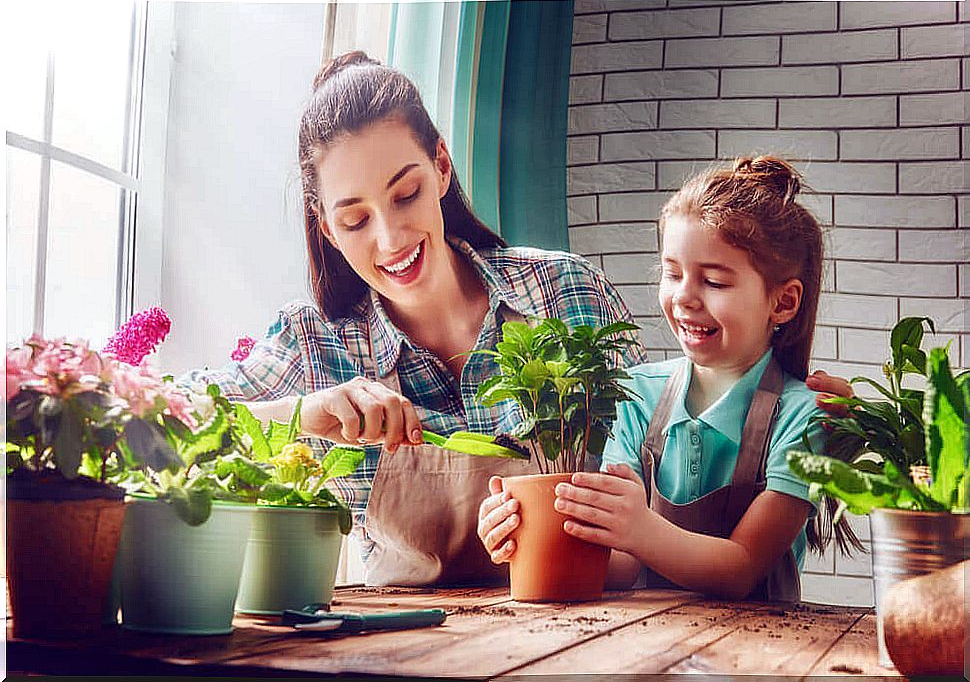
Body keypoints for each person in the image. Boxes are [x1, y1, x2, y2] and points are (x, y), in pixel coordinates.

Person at [188, 52, 851, 589]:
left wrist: (796, 419)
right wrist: (303, 411)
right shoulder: (314, 343)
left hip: (588, 638)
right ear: (326, 225)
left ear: (442, 166)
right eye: (355, 217)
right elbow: (167, 416)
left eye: (406, 192)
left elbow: (675, 456)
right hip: (403, 650)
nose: (390, 236)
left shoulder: (568, 295)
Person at [478, 156, 839, 602]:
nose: (684, 297)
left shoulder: (803, 417)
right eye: (673, 274)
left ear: (783, 303)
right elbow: (624, 566)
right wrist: (526, 533)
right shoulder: (637, 394)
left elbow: (742, 569)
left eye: (715, 282)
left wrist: (641, 529)